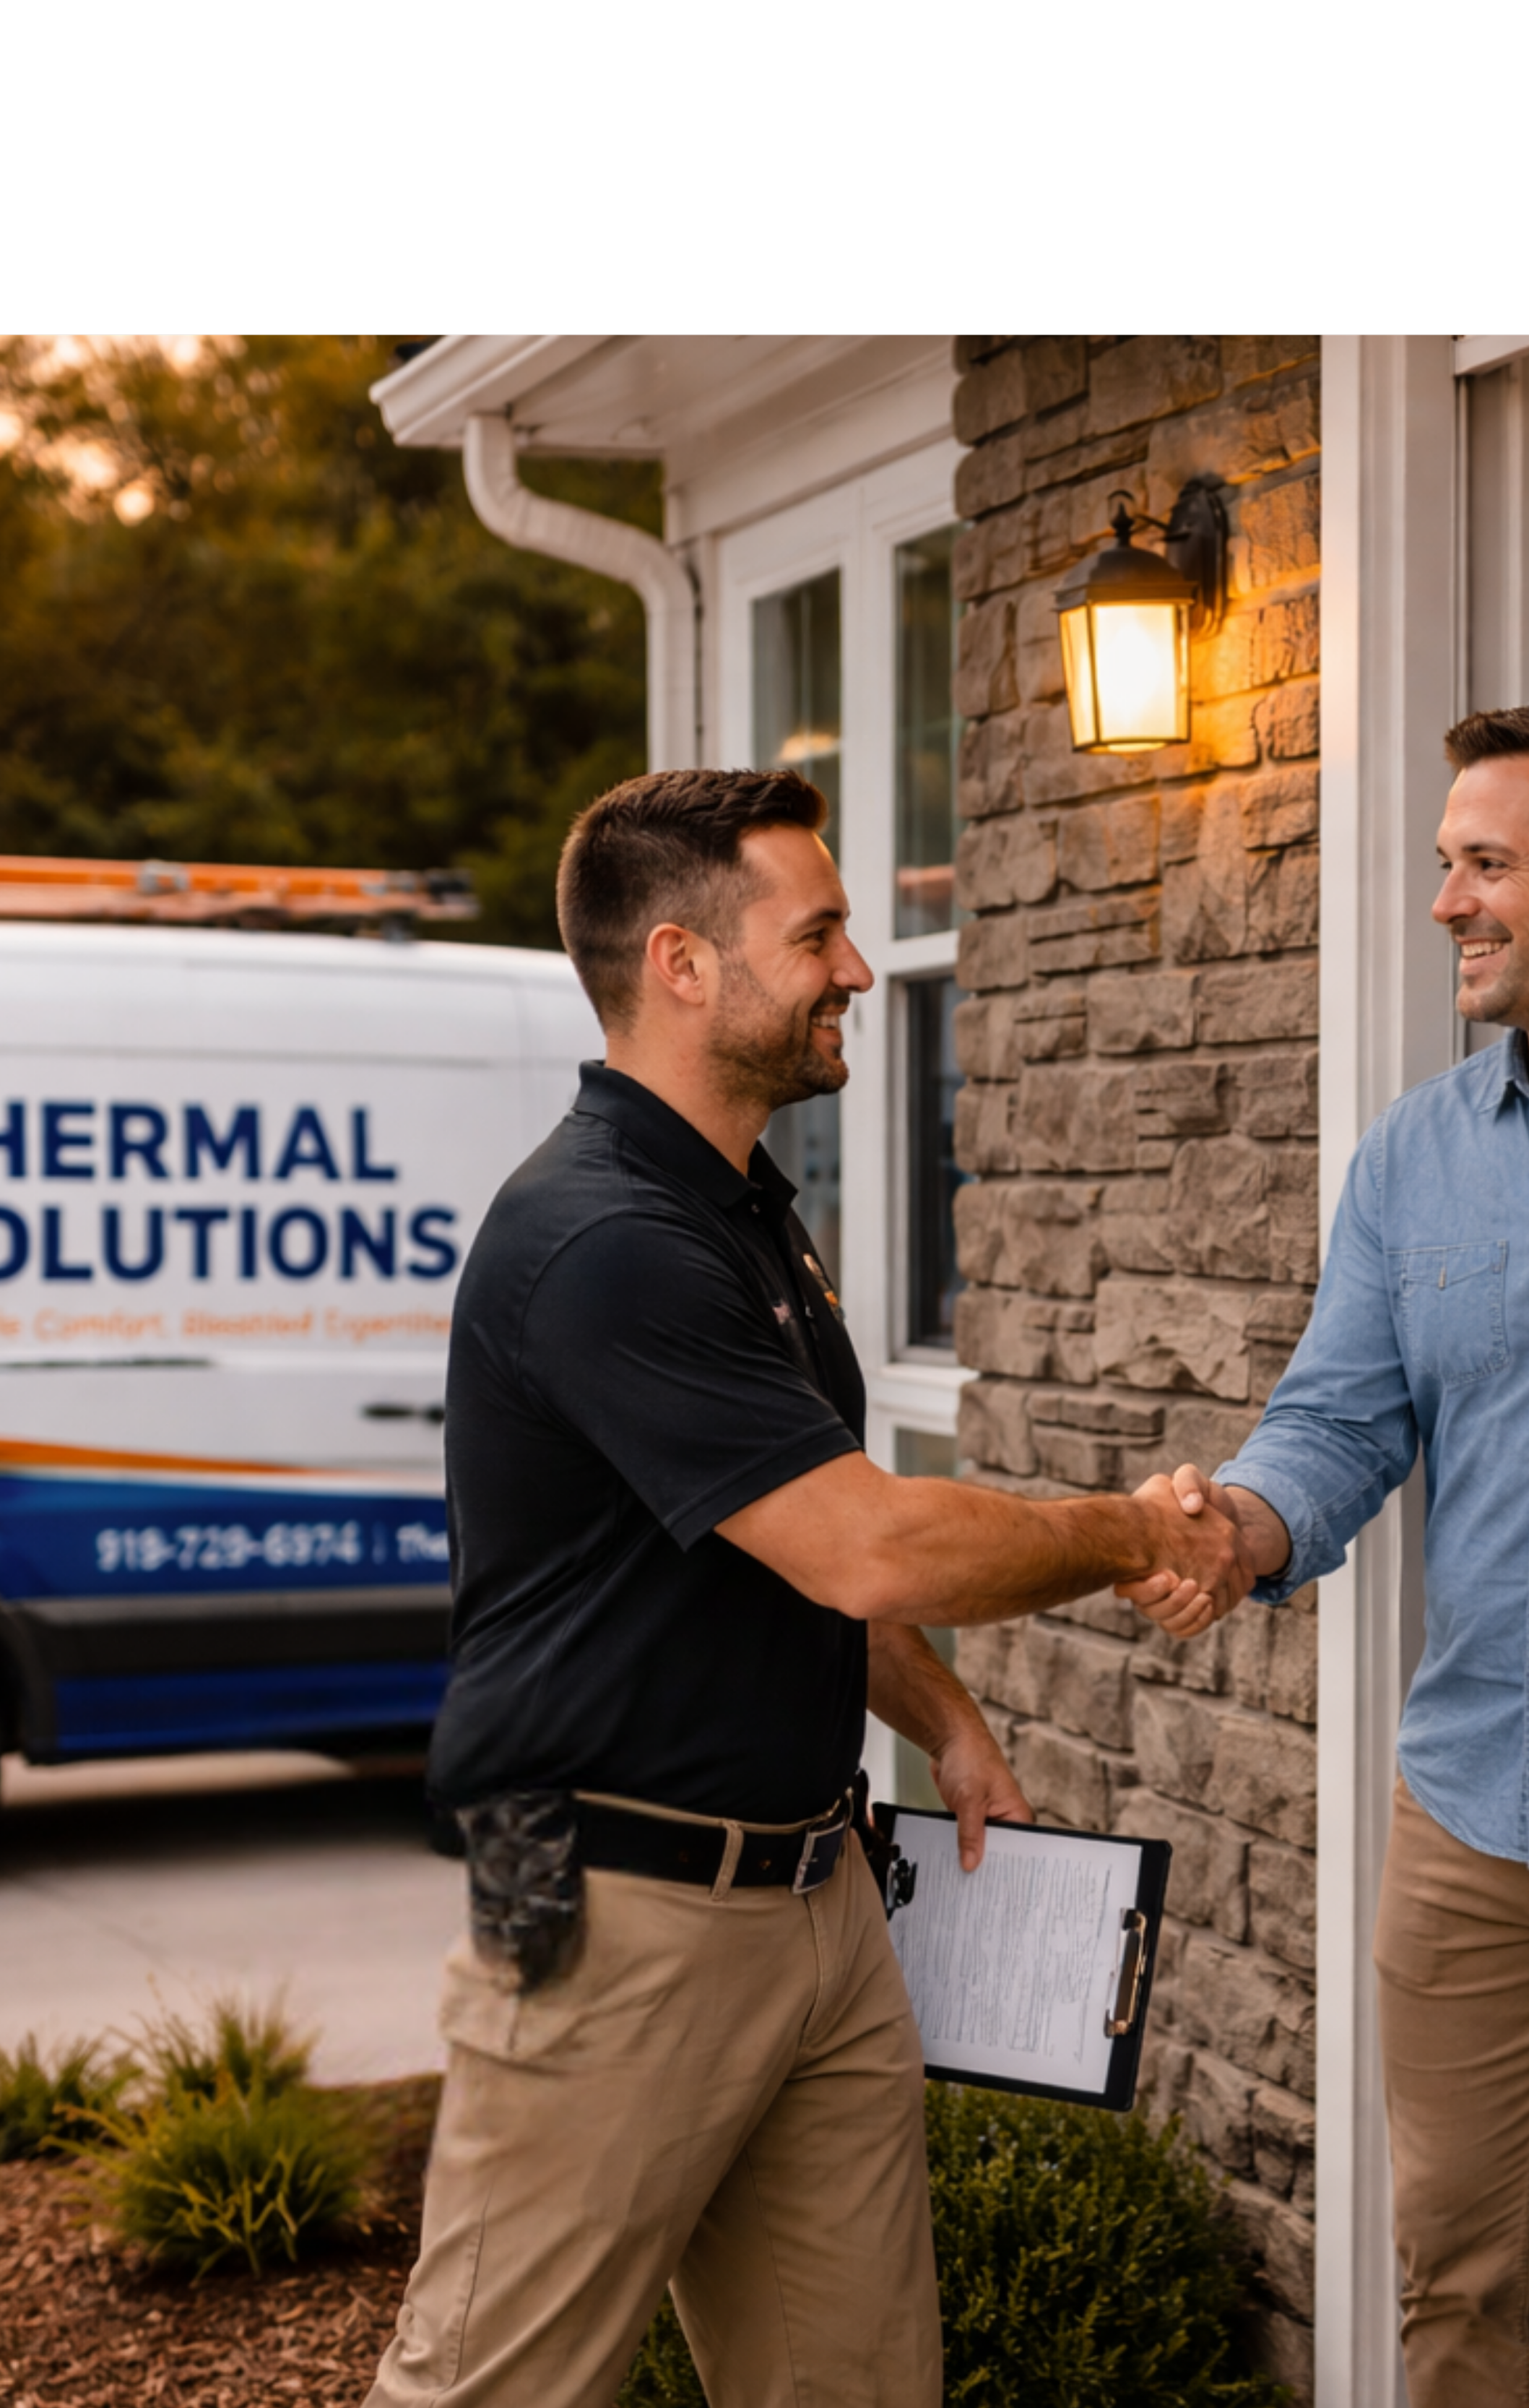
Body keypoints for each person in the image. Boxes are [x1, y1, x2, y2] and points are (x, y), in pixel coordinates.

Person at [364, 767, 1248, 2408]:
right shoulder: (604, 1239)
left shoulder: (745, 1213)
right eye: (820, 930)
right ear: (683, 966)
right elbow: (866, 1541)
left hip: (817, 1905)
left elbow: (778, 1542)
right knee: (489, 2386)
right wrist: (1130, 1529)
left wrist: (943, 1719)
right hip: (614, 1923)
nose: (856, 966)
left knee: (849, 2384)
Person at [1133, 706, 1529, 2407]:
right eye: (1444, 863)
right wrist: (1241, 1523)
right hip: (1476, 1817)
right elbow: (1339, 1422)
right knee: (1463, 2278)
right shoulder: (1416, 1156)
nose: (1443, 902)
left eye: (1486, 863)